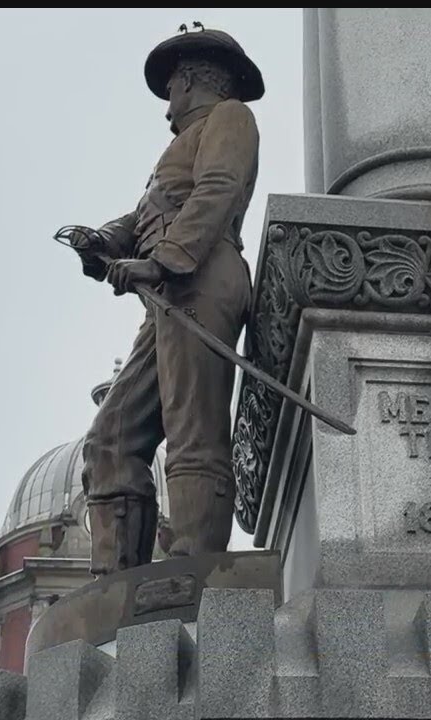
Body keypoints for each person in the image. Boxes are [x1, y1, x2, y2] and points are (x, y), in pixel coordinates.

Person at [60, 25, 262, 575]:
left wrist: (163, 259)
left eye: (171, 86)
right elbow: (140, 216)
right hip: (168, 289)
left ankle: (193, 566)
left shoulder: (230, 119)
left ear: (193, 80)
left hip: (201, 275)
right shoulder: (173, 150)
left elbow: (217, 190)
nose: (166, 102)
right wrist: (103, 240)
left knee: (193, 429)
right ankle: (116, 582)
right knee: (112, 435)